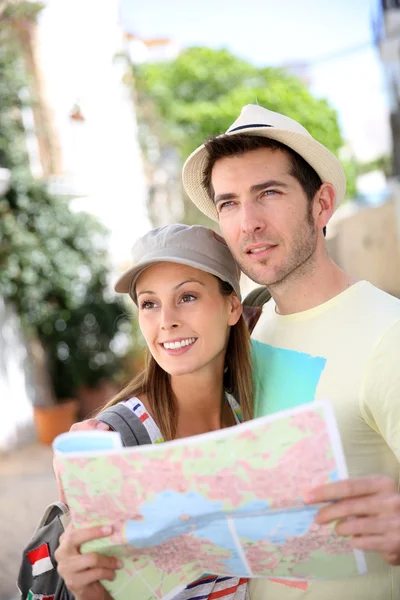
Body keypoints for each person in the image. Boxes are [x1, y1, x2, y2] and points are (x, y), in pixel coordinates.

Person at [182, 104, 400, 599]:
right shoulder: (251, 331)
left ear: (321, 204)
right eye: (229, 203)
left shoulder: (388, 336)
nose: (248, 223)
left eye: (269, 194)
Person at [53, 223, 252, 600]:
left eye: (188, 296)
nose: (166, 321)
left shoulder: (246, 415)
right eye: (149, 303)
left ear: (232, 306)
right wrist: (85, 587)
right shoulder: (117, 442)